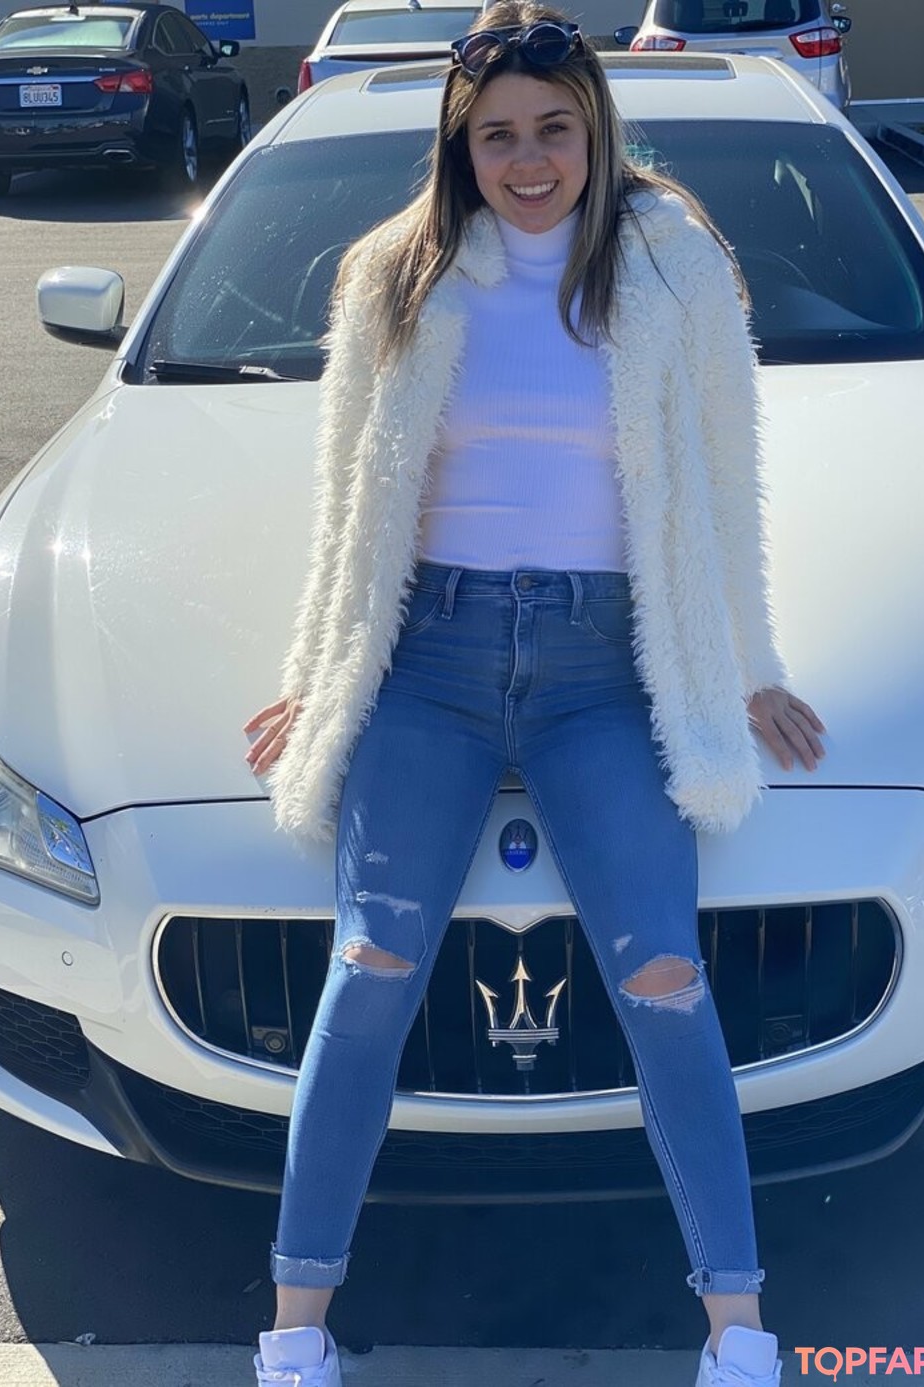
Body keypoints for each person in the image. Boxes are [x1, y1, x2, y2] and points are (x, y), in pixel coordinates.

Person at [243, 4, 826, 1384]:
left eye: (554, 129)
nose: (528, 161)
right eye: (498, 135)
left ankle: (740, 1333)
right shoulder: (396, 273)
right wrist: (318, 671)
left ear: (595, 130)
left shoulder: (674, 265)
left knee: (665, 979)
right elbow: (352, 503)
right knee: (369, 973)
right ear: (461, 145)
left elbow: (721, 484)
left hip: (604, 672)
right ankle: (294, 1335)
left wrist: (746, 666)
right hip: (431, 662)